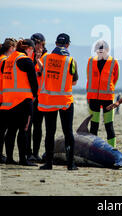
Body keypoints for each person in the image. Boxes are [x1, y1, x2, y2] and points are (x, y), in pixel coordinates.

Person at [38, 33, 78, 170]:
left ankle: (48, 163)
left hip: (49, 100)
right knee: (68, 132)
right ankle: (70, 164)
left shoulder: (46, 57)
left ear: (55, 43)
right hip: (65, 101)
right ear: (67, 45)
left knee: (50, 132)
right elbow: (74, 81)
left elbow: (41, 73)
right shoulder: (71, 60)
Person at [0, 39, 38, 166]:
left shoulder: (9, 59)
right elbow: (33, 81)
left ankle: (10, 158)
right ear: (29, 49)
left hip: (9, 101)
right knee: (24, 130)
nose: (33, 53)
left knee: (11, 131)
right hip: (23, 100)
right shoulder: (26, 60)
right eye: (33, 50)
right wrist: (35, 95)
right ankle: (23, 159)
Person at [86, 40, 119, 148]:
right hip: (93, 98)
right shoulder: (91, 61)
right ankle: (92, 149)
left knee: (109, 126)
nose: (100, 51)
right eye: (98, 49)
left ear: (107, 50)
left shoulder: (113, 62)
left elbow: (115, 79)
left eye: (103, 49)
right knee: (94, 126)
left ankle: (113, 150)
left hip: (107, 98)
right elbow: (89, 78)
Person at [26, 33, 48, 162]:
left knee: (38, 126)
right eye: (38, 44)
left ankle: (35, 153)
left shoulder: (46, 56)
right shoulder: (28, 56)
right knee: (28, 126)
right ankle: (28, 153)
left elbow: (44, 72)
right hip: (29, 96)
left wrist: (39, 59)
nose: (40, 46)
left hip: (40, 96)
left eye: (42, 44)